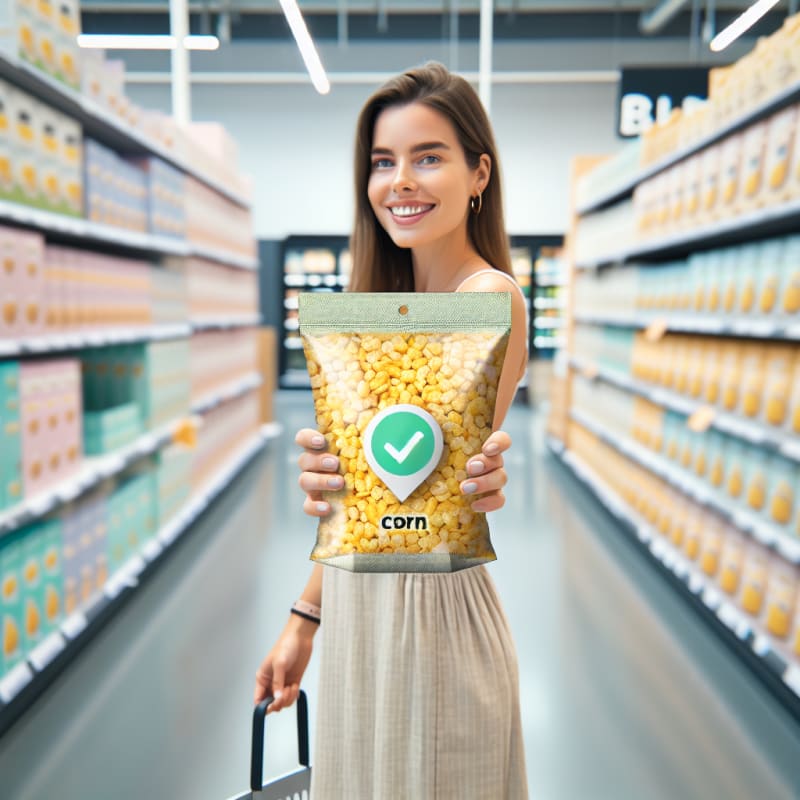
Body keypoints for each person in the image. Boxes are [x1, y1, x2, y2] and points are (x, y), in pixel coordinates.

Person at [254, 62, 529, 798]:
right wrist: (306, 615)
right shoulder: (383, 305)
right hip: (361, 615)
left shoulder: (489, 297)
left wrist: (473, 478)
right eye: (383, 162)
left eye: (427, 157)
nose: (400, 181)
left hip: (430, 621)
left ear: (479, 174)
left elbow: (420, 489)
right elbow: (366, 501)